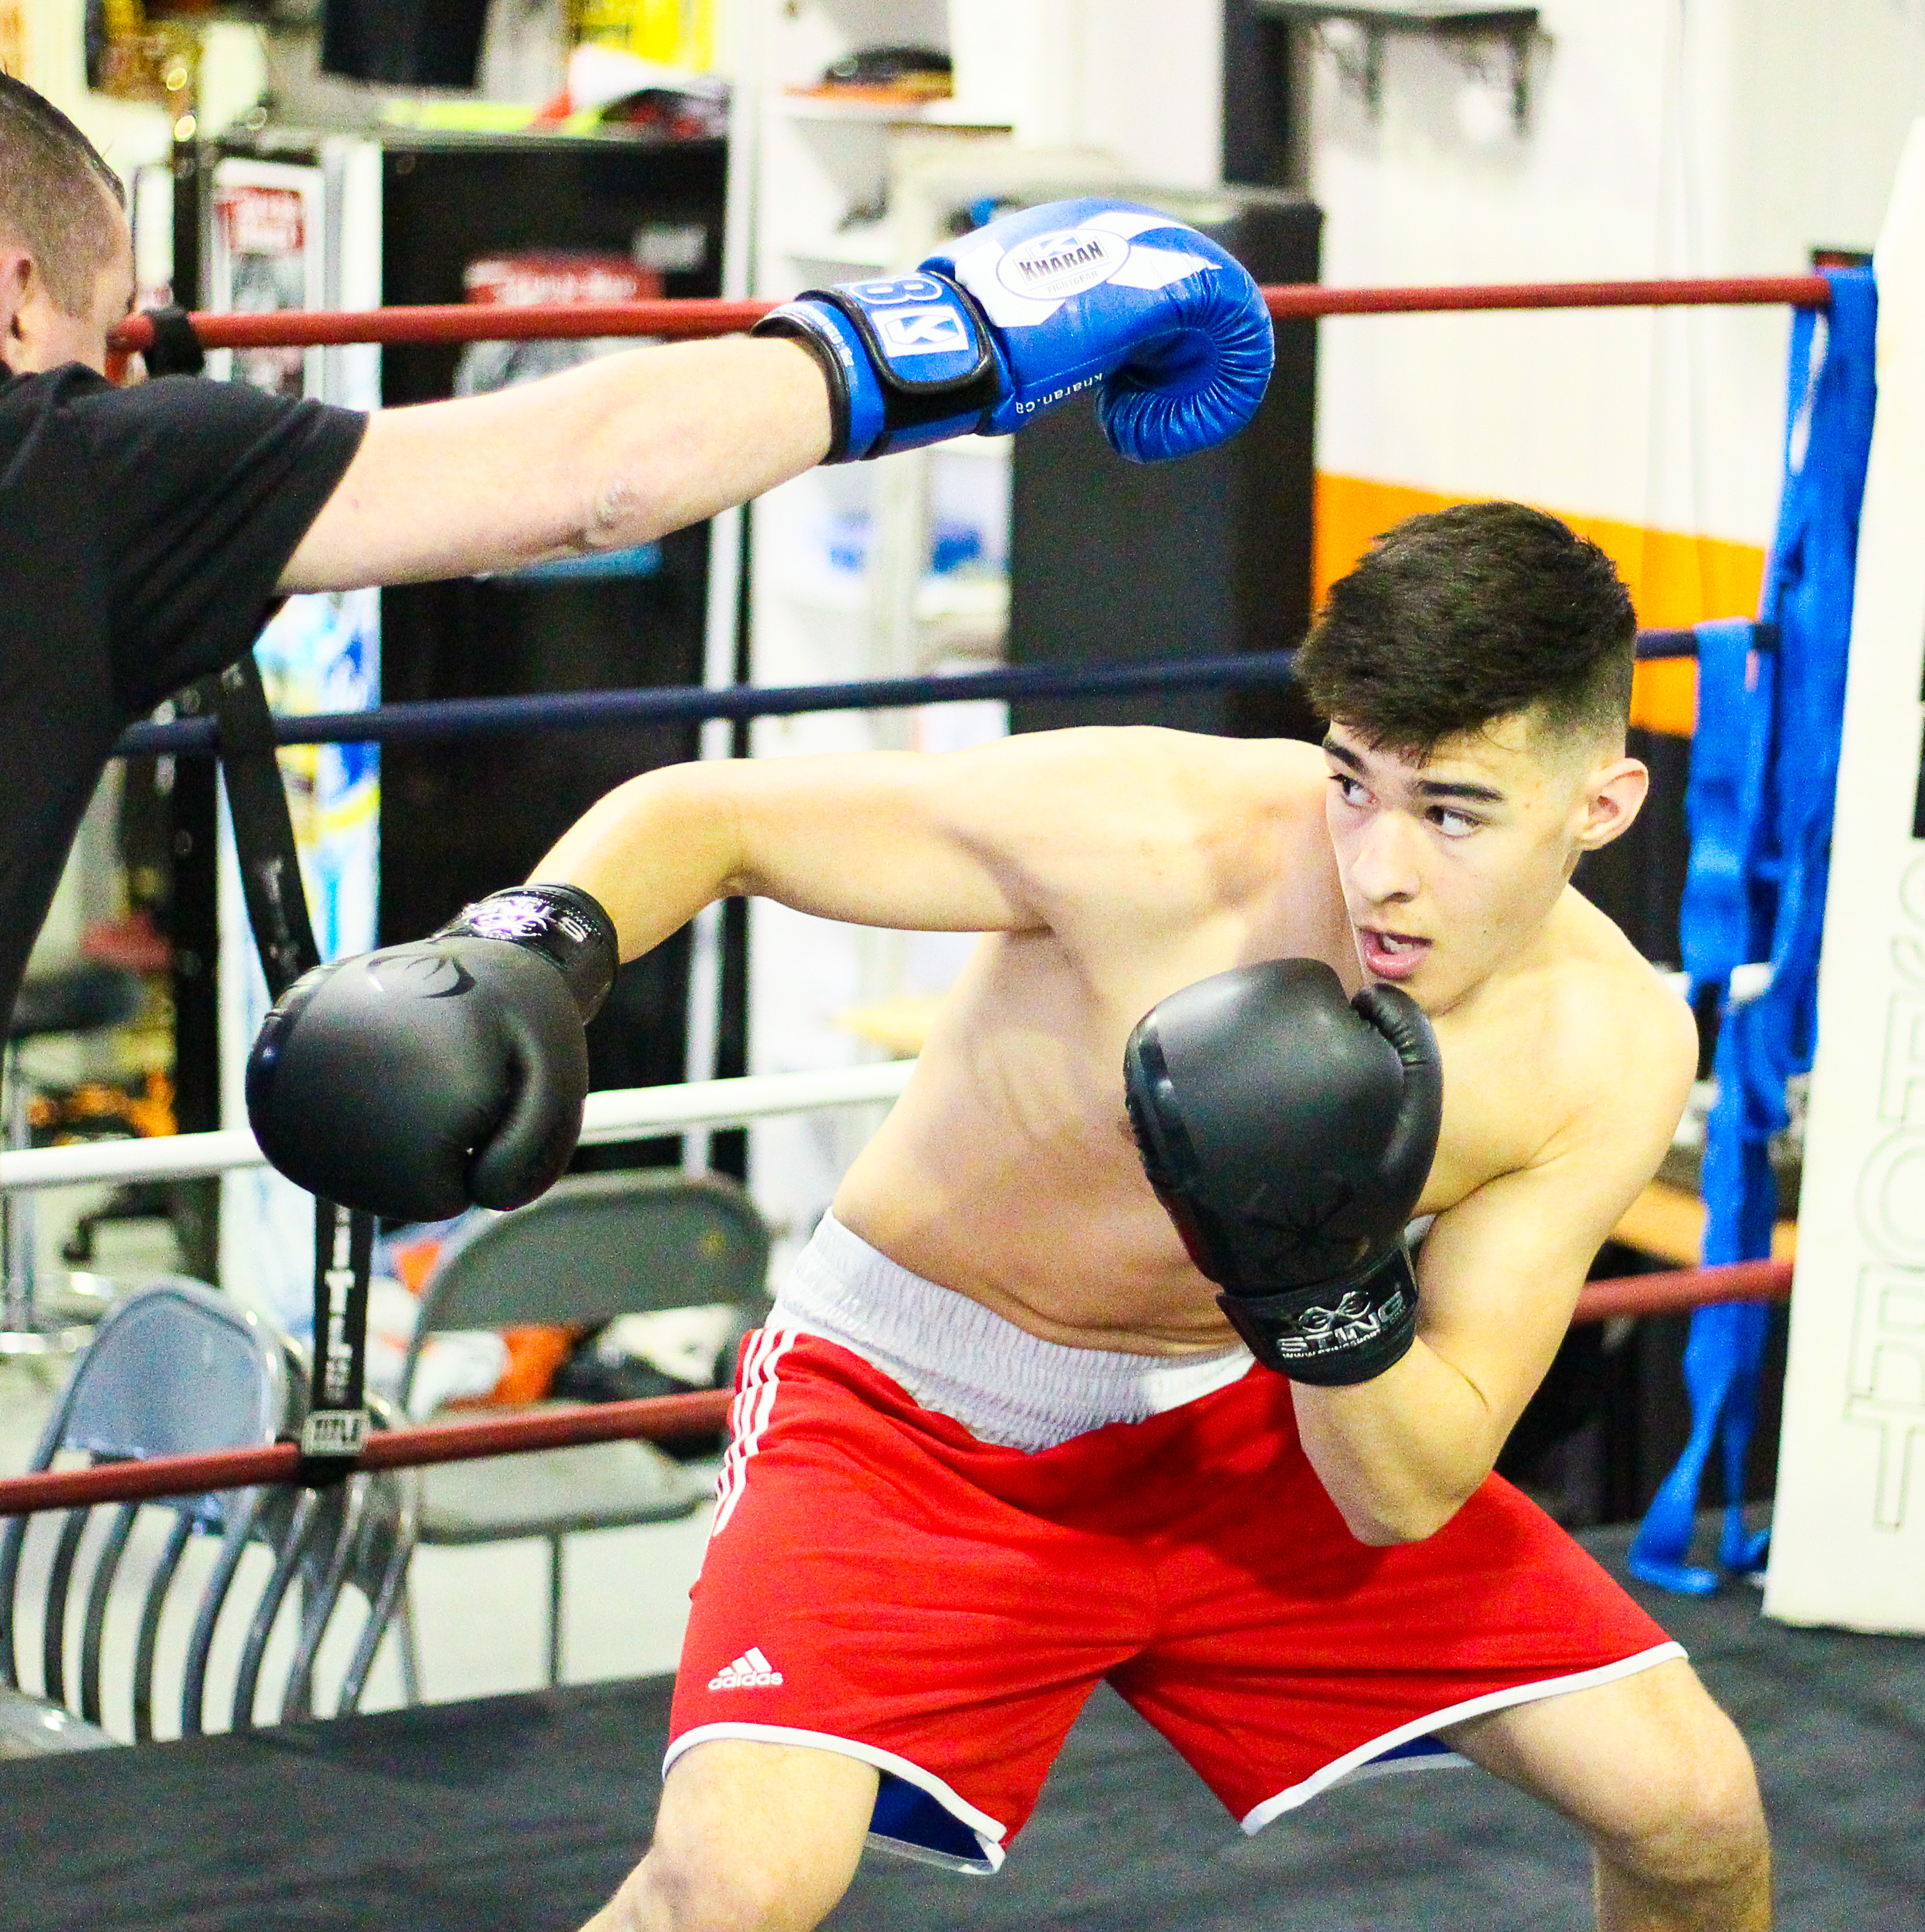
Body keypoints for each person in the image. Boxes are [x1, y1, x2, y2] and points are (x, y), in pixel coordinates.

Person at [0, 43, 1270, 1931]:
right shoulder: (34, 464)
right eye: (106, 341)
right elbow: (597, 477)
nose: (112, 383)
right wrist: (963, 329)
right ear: (16, 305)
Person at [251, 501, 1775, 1931]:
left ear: (1604, 801)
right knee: (733, 1883)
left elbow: (1404, 1489)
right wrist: (530, 957)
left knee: (1694, 1807)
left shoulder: (1608, 1050)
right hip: (905, 1419)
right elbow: (710, 813)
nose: (1380, 866)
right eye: (1352, 781)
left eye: (1454, 813)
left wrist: (1318, 1277)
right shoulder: (1157, 835)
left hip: (1242, 1432)